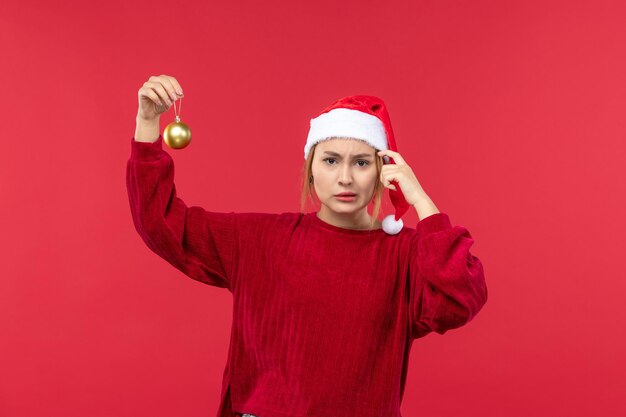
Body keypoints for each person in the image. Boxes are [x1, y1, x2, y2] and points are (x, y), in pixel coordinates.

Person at [127, 75, 488, 417]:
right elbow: (162, 223)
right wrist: (147, 122)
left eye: (361, 163)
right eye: (330, 161)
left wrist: (421, 200)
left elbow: (459, 299)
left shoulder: (406, 254)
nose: (345, 177)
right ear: (311, 168)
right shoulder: (258, 239)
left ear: (382, 170)